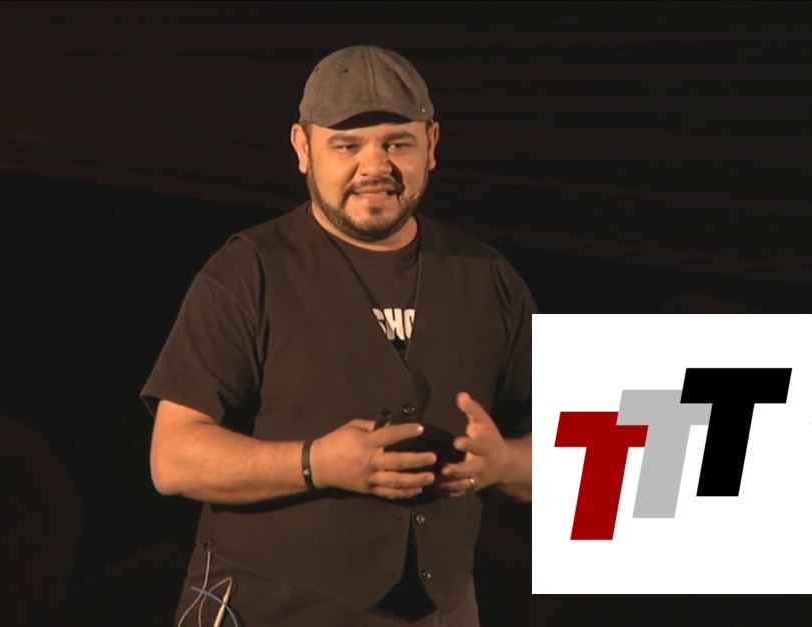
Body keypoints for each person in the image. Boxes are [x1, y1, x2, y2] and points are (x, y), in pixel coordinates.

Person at [142, 45, 535, 627]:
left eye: (397, 143)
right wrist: (316, 462)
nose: (374, 167)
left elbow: (584, 457)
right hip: (269, 610)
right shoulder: (247, 271)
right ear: (303, 148)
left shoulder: (489, 276)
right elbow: (173, 458)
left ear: (432, 143)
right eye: (347, 146)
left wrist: (505, 464)